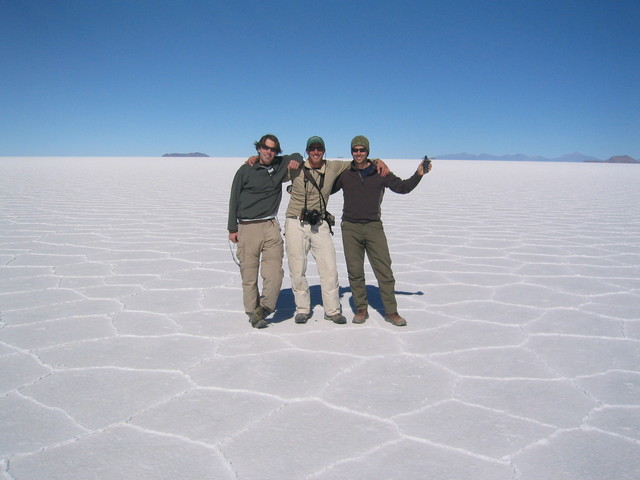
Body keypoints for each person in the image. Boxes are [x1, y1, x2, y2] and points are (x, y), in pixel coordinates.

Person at [284, 136, 389, 325]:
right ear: (307, 151)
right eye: (312, 149)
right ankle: (302, 309)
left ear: (324, 151)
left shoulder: (333, 167)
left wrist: (377, 160)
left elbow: (358, 161)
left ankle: (332, 310)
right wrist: (255, 159)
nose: (316, 152)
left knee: (329, 268)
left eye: (319, 149)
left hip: (320, 224)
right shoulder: (295, 166)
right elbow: (271, 162)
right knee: (297, 268)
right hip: (295, 223)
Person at [331, 135, 431, 326]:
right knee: (355, 270)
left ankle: (391, 311)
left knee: (384, 270)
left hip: (373, 227)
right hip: (350, 227)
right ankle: (361, 309)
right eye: (355, 150)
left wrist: (418, 173)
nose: (358, 153)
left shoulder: (380, 172)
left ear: (368, 152)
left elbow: (403, 187)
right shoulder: (345, 174)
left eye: (362, 150)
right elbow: (325, 188)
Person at [228, 134, 302, 328]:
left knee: (274, 273)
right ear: (259, 148)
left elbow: (297, 155)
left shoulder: (278, 166)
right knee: (249, 275)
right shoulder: (245, 170)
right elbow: (233, 198)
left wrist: (295, 159)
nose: (269, 152)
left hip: (270, 226)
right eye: (266, 148)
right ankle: (253, 313)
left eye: (273, 149)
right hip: (247, 227)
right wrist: (232, 228)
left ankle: (266, 307)